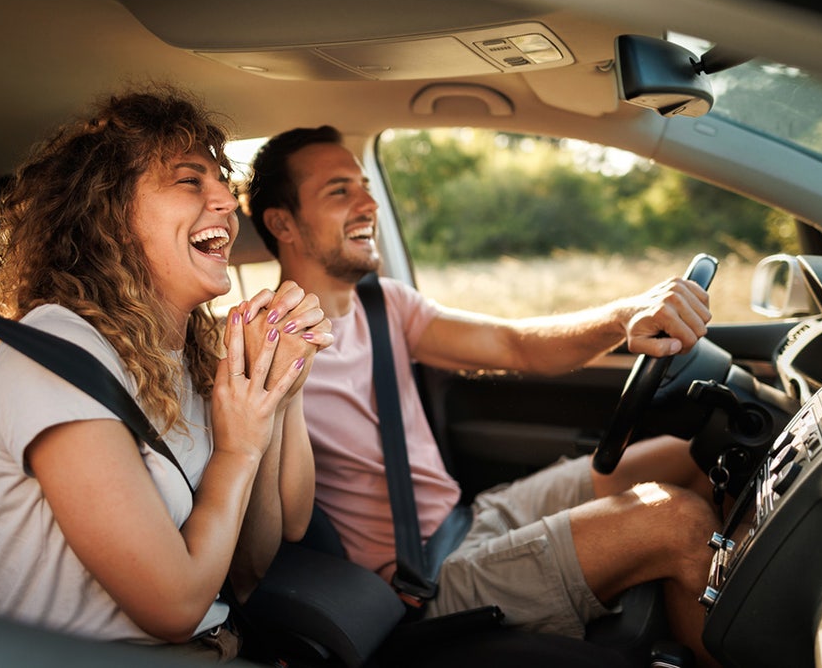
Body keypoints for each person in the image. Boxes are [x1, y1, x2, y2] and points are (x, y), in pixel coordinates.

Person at [246, 125, 722, 665]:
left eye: (364, 184)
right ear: (282, 222)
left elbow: (516, 345)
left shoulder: (385, 306)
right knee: (679, 522)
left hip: (471, 518)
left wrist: (621, 314)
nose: (368, 202)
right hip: (423, 581)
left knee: (694, 457)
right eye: (340, 190)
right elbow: (282, 516)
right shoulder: (262, 349)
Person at [0, 87, 332, 661]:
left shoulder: (183, 354)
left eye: (221, 181)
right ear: (107, 213)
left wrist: (278, 384)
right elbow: (175, 608)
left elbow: (252, 565)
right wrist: (236, 452)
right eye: (190, 181)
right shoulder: (54, 356)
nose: (227, 202)